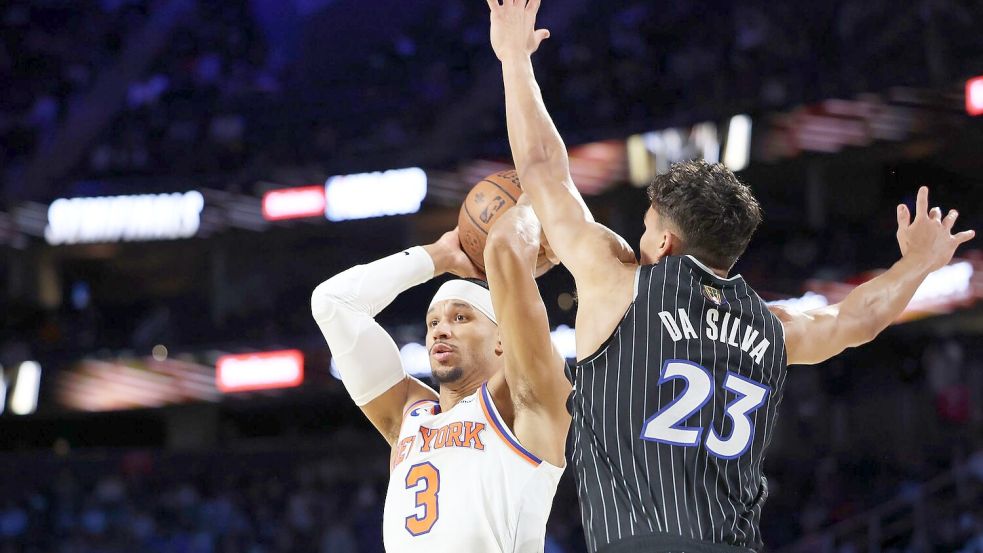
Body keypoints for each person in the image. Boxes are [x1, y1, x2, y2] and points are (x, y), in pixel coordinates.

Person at [486, 1, 977, 551]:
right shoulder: (772, 327)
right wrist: (916, 264)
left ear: (666, 243)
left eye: (647, 229)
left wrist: (513, 58)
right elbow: (857, 317)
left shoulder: (618, 284)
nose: (639, 241)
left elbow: (542, 169)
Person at [311, 199, 571, 553]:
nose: (440, 331)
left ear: (501, 338)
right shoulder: (409, 415)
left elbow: (506, 249)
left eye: (461, 318)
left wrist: (532, 202)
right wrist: (439, 255)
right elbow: (332, 303)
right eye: (433, 322)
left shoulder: (522, 402)